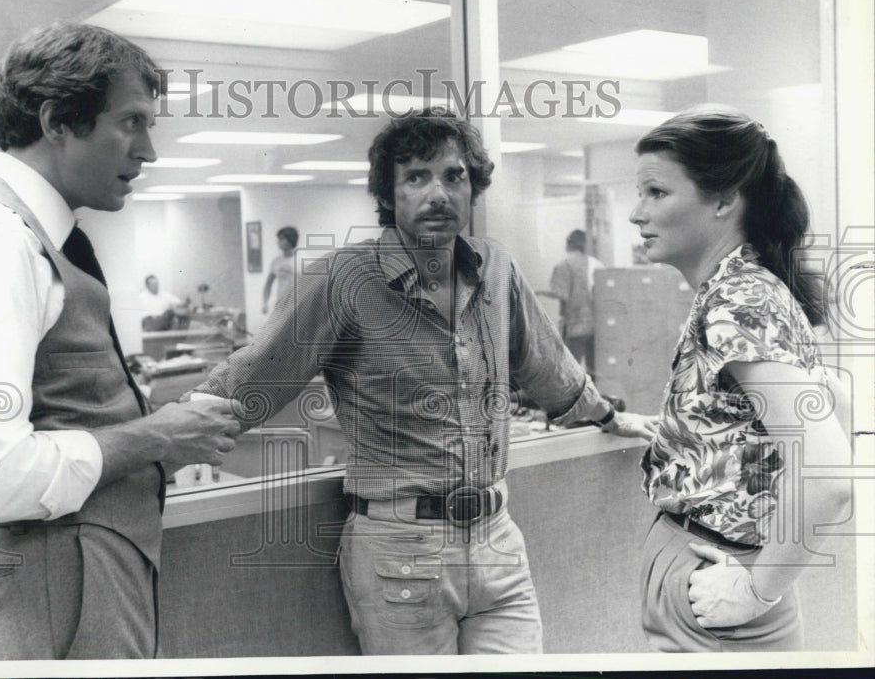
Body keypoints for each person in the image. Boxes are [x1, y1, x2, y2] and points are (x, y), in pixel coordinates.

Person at [187, 107, 650, 654]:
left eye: (454, 176)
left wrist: (609, 417)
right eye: (416, 177)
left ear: (472, 187)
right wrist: (164, 444)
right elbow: (253, 378)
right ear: (389, 192)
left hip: (497, 540)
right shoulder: (344, 280)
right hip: (400, 549)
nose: (439, 193)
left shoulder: (495, 268)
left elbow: (548, 366)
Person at [0, 22, 243, 660]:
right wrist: (154, 437)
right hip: (43, 591)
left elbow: (61, 408)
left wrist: (157, 445)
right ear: (58, 119)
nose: (148, 151)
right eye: (132, 122)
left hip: (81, 575)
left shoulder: (39, 234)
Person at [620, 104, 851, 651]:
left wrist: (757, 591)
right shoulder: (747, 287)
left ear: (724, 201)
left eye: (656, 193)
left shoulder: (739, 300)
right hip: (712, 563)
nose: (636, 213)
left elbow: (831, 479)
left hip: (721, 579)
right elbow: (834, 403)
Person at [548, 229, 604, 372]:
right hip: (596, 325)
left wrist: (539, 293)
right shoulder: (597, 264)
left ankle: (577, 395)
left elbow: (562, 294)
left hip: (574, 325)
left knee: (571, 368)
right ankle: (595, 394)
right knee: (594, 368)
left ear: (568, 244)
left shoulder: (563, 265)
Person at [261, 225, 298, 315]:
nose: (278, 242)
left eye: (281, 239)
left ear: (290, 240)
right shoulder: (276, 261)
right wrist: (265, 302)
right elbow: (268, 284)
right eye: (278, 239)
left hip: (298, 306)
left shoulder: (302, 260)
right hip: (281, 306)